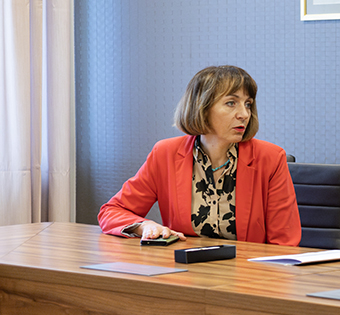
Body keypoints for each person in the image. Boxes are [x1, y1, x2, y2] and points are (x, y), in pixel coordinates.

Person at [98, 65, 301, 246]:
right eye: (231, 103)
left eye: (247, 104)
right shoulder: (166, 154)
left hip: (250, 276)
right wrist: (144, 226)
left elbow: (284, 243)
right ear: (201, 108)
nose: (244, 114)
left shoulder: (271, 158)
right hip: (184, 273)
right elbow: (111, 211)